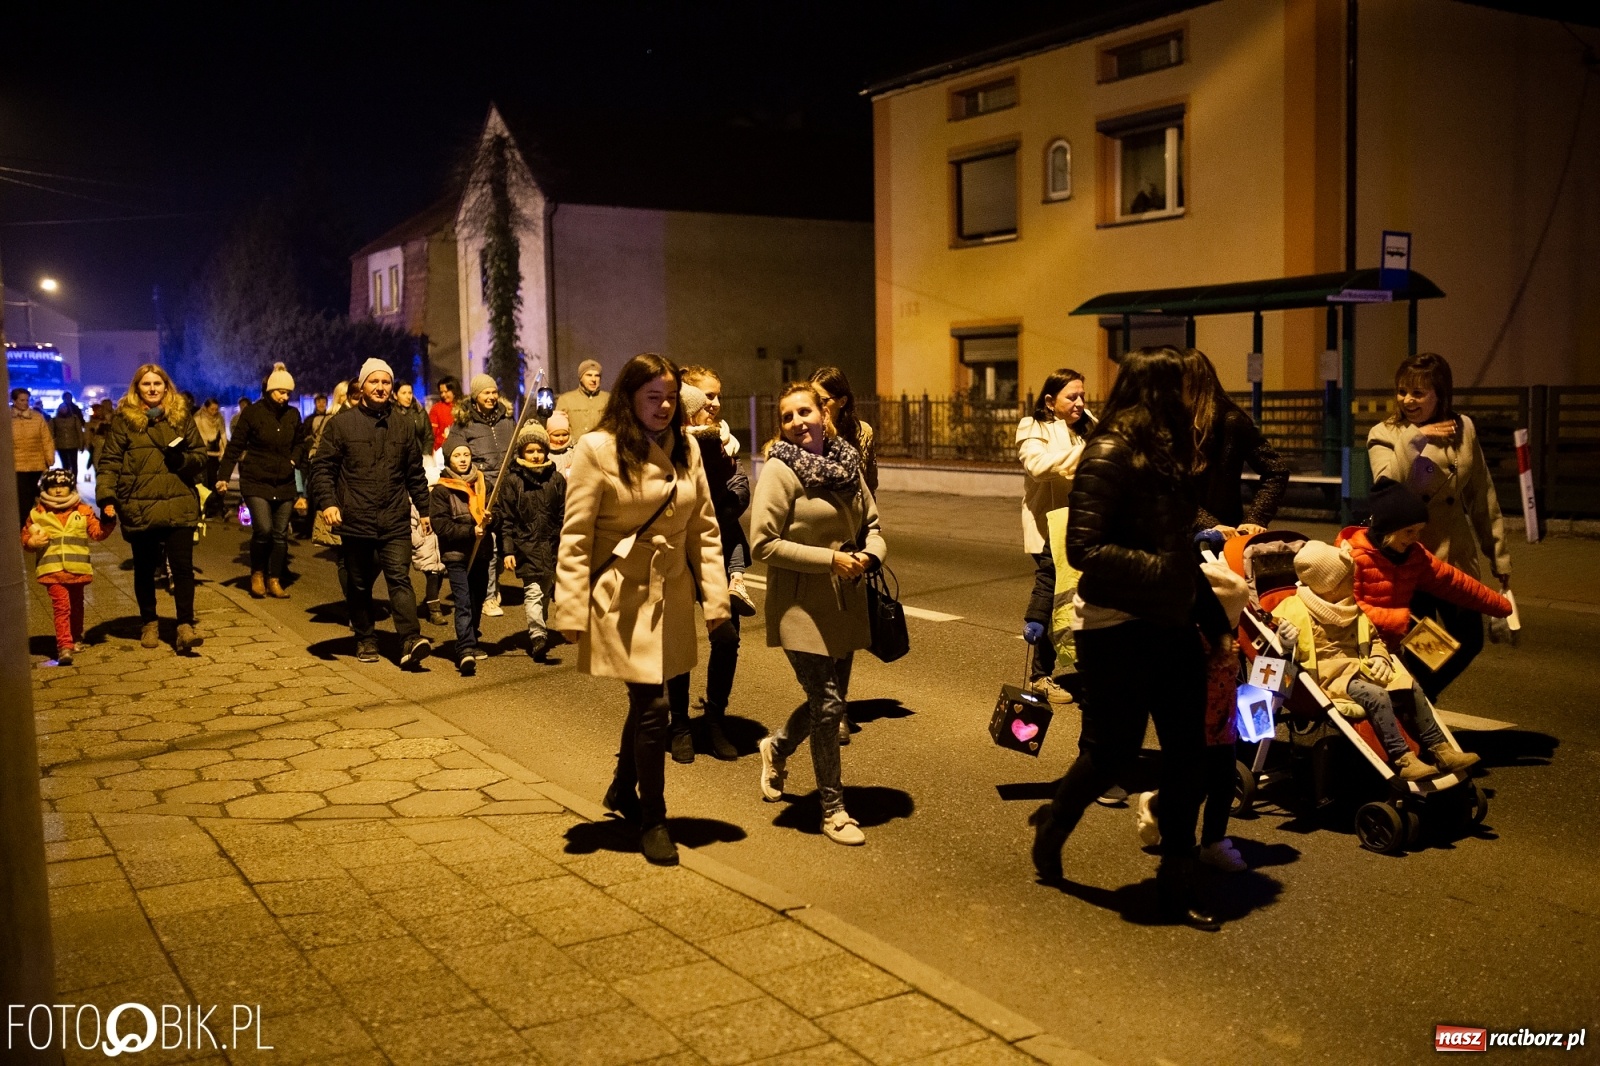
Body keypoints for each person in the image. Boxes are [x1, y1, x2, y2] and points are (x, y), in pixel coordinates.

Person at [1027, 347, 1231, 930]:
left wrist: (1213, 622)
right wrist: (1162, 569)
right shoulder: (1108, 451)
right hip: (1113, 625)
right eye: (1184, 388)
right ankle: (1055, 823)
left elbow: (1178, 546)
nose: (1193, 398)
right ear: (1159, 391)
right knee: (1111, 752)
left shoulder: (1168, 453)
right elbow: (1082, 549)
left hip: (1171, 622)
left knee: (1187, 756)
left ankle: (1177, 880)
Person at [552, 353, 730, 866]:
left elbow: (705, 530)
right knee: (655, 707)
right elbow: (576, 536)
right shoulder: (597, 449)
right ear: (629, 397)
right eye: (653, 397)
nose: (664, 406)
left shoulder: (687, 448)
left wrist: (715, 598)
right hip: (620, 596)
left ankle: (619, 788)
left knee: (647, 699)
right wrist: (569, 609)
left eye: (671, 397)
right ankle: (654, 818)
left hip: (670, 592)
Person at [751, 381, 887, 846]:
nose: (797, 422)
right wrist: (829, 559)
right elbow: (762, 543)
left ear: (823, 415)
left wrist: (870, 556)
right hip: (799, 605)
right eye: (787, 416)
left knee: (830, 702)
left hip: (845, 601)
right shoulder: (780, 470)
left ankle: (777, 747)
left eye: (804, 412)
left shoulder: (848, 464)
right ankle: (834, 810)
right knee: (828, 706)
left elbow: (873, 526)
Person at [1366, 352, 1510, 698]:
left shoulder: (1464, 428)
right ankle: (1415, 709)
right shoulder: (1385, 433)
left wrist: (1499, 558)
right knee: (1422, 648)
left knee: (1469, 640)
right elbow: (1388, 485)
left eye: (1418, 393)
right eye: (1402, 391)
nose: (1407, 400)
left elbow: (1482, 495)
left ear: (1440, 393)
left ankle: (1414, 703)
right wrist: (1416, 437)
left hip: (1455, 556)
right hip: (1410, 559)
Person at [1273, 540, 1480, 780]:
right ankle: (1402, 758)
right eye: (1348, 578)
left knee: (1409, 685)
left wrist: (1380, 656)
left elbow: (1373, 639)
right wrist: (1287, 643)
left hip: (1362, 667)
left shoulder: (1350, 607)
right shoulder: (1294, 611)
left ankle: (1440, 749)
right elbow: (1281, 653)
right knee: (1377, 695)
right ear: (1329, 586)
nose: (1354, 582)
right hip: (1330, 677)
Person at [309, 358, 433, 667]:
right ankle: (365, 637)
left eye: (386, 382)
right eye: (374, 382)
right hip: (356, 519)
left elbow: (414, 472)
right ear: (362, 386)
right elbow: (322, 468)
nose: (380, 387)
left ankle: (410, 639)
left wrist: (425, 509)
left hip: (394, 517)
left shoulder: (403, 425)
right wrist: (329, 503)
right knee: (359, 583)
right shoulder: (341, 425)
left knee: (399, 578)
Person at [1337, 479, 1512, 667]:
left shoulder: (1415, 556)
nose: (1415, 538)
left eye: (1419, 531)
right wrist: (1396, 619)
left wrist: (1501, 605)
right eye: (1409, 531)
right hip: (1353, 650)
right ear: (1388, 529)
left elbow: (1454, 582)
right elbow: (1346, 608)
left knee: (1422, 680)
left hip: (1390, 652)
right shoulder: (1352, 556)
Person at [96, 364, 208, 653]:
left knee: (182, 568)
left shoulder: (181, 417)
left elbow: (200, 455)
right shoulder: (125, 420)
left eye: (157, 383)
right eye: (146, 384)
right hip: (140, 503)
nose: (152, 388)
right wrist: (107, 498)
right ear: (137, 388)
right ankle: (149, 622)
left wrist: (183, 462)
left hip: (178, 502)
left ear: (166, 386)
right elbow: (110, 461)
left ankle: (185, 626)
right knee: (145, 569)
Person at [667, 382, 752, 763]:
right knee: (678, 638)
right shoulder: (665, 446)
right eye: (707, 400)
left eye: (717, 397)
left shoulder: (723, 442)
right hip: (675, 554)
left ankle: (715, 719)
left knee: (727, 637)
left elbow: (738, 490)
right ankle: (680, 725)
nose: (714, 405)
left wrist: (709, 514)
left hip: (717, 550)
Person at [1016, 368, 1091, 700]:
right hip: (1049, 529)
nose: (1080, 403)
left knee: (1082, 599)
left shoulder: (1087, 428)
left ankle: (1087, 667)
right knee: (1053, 599)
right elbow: (1038, 466)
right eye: (1071, 397)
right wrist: (1089, 452)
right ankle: (1040, 676)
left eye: (1082, 396)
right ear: (1050, 401)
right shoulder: (1033, 427)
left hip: (1083, 527)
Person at [217, 363, 307, 599]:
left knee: (280, 534)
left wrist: (294, 460)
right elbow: (236, 445)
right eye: (281, 392)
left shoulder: (292, 415)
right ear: (270, 390)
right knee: (264, 529)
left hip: (284, 482)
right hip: (256, 480)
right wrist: (223, 476)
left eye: (288, 393)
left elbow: (300, 442)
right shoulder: (253, 413)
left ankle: (274, 578)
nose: (285, 397)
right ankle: (257, 573)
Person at [1181, 348, 1291, 535]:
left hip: (1222, 534)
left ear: (1190, 382)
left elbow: (1276, 470)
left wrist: (1255, 518)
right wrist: (1209, 524)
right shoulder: (1170, 422)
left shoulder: (1230, 421)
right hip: (1185, 534)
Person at [22, 468, 115, 664]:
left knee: (77, 606)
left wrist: (108, 521)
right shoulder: (38, 514)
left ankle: (76, 636)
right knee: (61, 607)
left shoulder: (82, 510)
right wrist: (31, 542)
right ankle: (64, 646)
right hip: (52, 570)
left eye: (63, 486)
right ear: (45, 488)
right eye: (53, 486)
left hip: (77, 569)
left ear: (71, 487)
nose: (58, 490)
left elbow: (97, 533)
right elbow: (25, 537)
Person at [497, 421, 566, 661]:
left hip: (552, 545)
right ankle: (537, 634)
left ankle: (541, 628)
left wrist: (566, 541)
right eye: (530, 451)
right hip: (526, 545)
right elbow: (506, 518)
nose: (535, 455)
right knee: (533, 591)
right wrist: (507, 550)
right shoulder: (513, 481)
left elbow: (564, 513)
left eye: (539, 450)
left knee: (545, 591)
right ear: (521, 452)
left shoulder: (556, 479)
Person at [431, 431, 496, 674]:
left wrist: (491, 519)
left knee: (477, 598)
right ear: (449, 459)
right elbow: (441, 525)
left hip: (481, 552)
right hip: (457, 555)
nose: (462, 459)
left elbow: (499, 514)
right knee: (463, 600)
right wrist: (470, 531)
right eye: (457, 455)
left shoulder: (484, 484)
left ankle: (473, 636)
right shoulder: (442, 490)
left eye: (466, 455)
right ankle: (465, 648)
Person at [455, 373, 516, 616]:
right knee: (489, 544)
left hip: (507, 487)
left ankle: (493, 583)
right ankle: (488, 597)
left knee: (505, 541)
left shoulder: (507, 419)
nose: (491, 397)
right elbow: (454, 451)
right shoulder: (464, 423)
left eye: (494, 392)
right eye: (486, 393)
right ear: (475, 396)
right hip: (482, 489)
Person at [810, 366, 877, 495]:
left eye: (823, 401)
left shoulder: (862, 432)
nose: (816, 406)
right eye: (812, 400)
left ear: (842, 401)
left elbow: (869, 486)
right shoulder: (805, 434)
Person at [11, 388, 56, 517]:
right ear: (14, 401)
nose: (25, 403)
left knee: (31, 492)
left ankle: (28, 518)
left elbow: (46, 439)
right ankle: (24, 519)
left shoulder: (37, 417)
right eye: (22, 400)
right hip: (17, 464)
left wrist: (50, 458)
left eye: (27, 400)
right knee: (22, 494)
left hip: (36, 463)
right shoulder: (7, 418)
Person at [556, 358, 609, 438]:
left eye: (597, 376)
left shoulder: (608, 399)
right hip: (575, 445)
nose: (593, 379)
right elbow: (557, 429)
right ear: (581, 378)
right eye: (589, 375)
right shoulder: (566, 400)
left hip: (600, 444)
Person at [194, 398, 228, 519]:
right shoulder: (198, 419)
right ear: (206, 408)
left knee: (216, 481)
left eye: (216, 409)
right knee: (204, 482)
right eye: (212, 409)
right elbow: (196, 438)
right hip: (203, 455)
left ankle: (217, 508)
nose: (214, 412)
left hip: (216, 456)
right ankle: (205, 508)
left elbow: (223, 434)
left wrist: (224, 450)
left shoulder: (219, 418)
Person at [394, 382, 434, 474]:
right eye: (404, 393)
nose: (408, 396)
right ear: (395, 396)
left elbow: (428, 437)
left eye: (410, 393)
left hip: (419, 459)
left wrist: (426, 456)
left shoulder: (420, 412)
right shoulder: (391, 413)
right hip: (398, 461)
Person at [51, 391, 86, 484]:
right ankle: (67, 479)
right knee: (65, 464)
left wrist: (81, 444)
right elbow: (51, 433)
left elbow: (79, 432)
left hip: (73, 444)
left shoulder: (74, 418)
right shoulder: (54, 420)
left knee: (74, 463)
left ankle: (73, 479)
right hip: (61, 445)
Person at [429, 376, 458, 460]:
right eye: (441, 392)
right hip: (441, 452)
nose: (443, 395)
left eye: (446, 391)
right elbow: (431, 434)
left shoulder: (464, 407)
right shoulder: (436, 409)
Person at [86, 400, 113, 471]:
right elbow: (89, 433)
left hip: (107, 445)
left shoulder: (114, 418)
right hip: (98, 444)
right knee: (97, 463)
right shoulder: (97, 420)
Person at [545, 411, 575, 476]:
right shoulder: (545, 454)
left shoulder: (573, 452)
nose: (561, 439)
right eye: (556, 435)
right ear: (548, 435)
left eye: (565, 435)